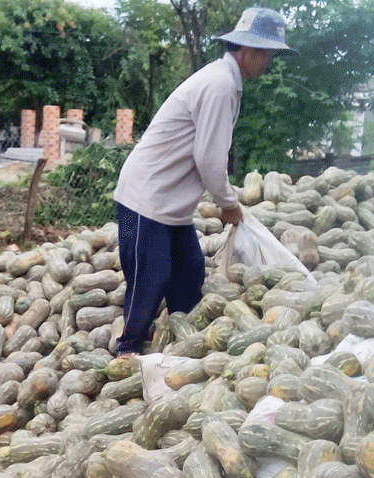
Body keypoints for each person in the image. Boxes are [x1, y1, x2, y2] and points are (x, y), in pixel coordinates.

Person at [113, 7, 294, 356]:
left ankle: (185, 350)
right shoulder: (220, 85)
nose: (269, 63)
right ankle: (127, 352)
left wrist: (227, 199)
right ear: (248, 51)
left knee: (189, 274)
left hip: (170, 204)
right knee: (150, 280)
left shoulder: (225, 81)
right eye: (268, 55)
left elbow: (208, 155)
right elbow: (209, 158)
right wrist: (229, 204)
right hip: (146, 198)